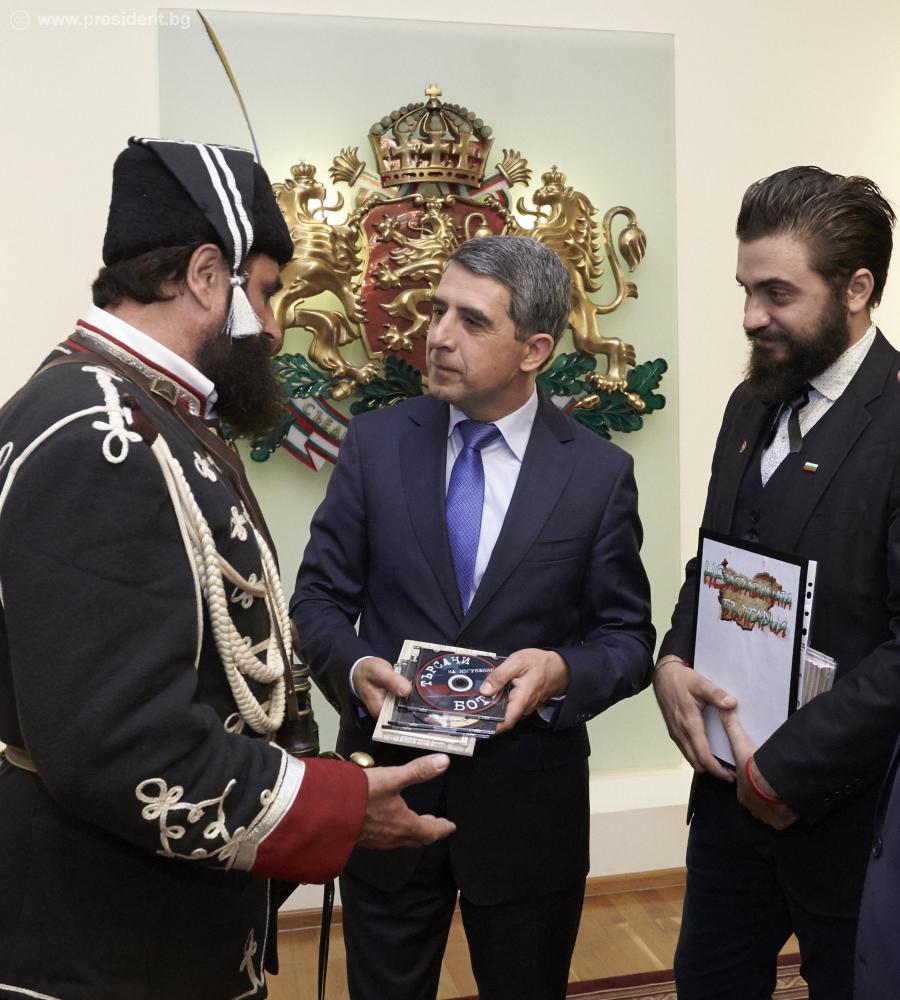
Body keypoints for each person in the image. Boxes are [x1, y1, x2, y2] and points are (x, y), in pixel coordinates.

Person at [0, 137, 454, 1000]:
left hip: (161, 922)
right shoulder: (102, 434)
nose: (276, 326)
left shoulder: (146, 411)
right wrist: (334, 806)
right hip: (109, 941)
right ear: (206, 275)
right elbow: (118, 742)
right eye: (268, 292)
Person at [291, 234, 655, 1000]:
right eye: (438, 311)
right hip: (387, 794)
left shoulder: (597, 475)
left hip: (528, 815)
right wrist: (355, 669)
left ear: (535, 350)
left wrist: (561, 671)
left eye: (473, 321)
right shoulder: (375, 446)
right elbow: (317, 600)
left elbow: (627, 640)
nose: (439, 336)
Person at [653, 165, 900, 999]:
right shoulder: (748, 404)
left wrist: (786, 771)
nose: (751, 316)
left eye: (777, 294)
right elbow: (714, 566)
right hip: (726, 810)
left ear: (856, 289)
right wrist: (672, 662)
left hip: (850, 825)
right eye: (745, 290)